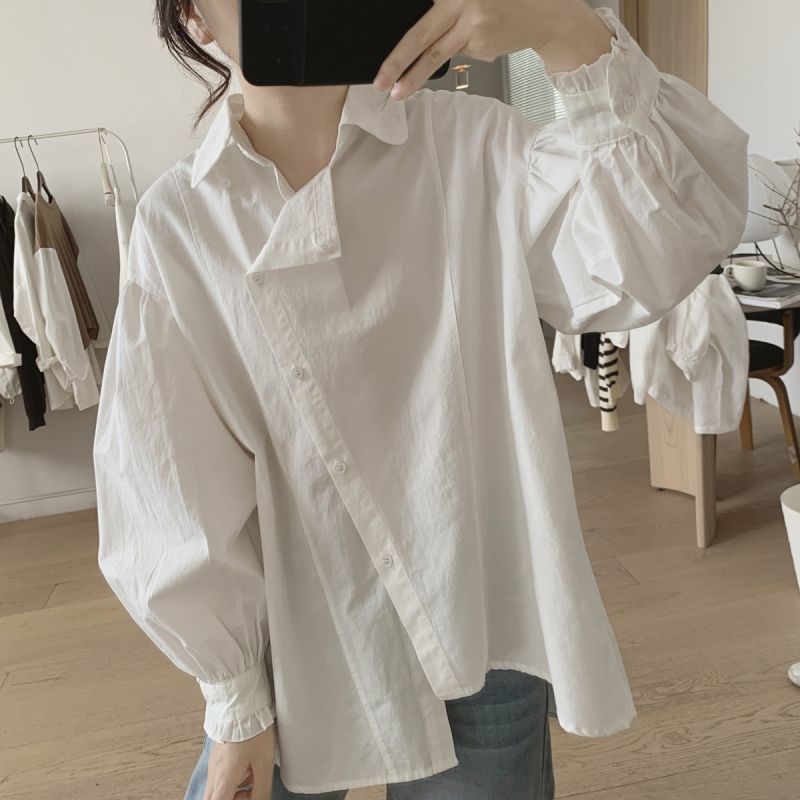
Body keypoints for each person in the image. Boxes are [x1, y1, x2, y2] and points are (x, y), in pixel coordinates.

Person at [92, 1, 750, 799]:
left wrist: (562, 26)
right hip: (296, 645)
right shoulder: (183, 223)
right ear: (193, 16)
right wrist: (233, 699)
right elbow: (167, 475)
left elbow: (662, 244)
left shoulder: (475, 148)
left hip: (485, 620)